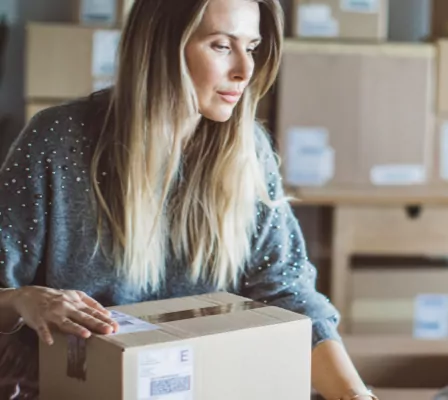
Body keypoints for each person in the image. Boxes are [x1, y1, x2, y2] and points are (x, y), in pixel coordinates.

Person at [0, 1, 378, 399]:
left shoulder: (249, 155)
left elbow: (290, 296)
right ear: (160, 47)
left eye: (250, 48)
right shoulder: (57, 141)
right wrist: (26, 300)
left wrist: (355, 395)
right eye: (220, 46)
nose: (245, 71)